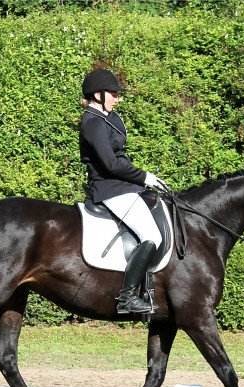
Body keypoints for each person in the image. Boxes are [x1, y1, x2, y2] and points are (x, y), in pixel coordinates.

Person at [79, 68, 166, 314]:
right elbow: (111, 164)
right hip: (110, 189)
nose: (117, 98)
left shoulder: (108, 117)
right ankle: (126, 298)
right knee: (152, 237)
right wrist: (145, 176)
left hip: (124, 185)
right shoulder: (93, 122)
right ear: (98, 94)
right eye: (114, 94)